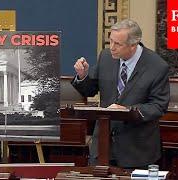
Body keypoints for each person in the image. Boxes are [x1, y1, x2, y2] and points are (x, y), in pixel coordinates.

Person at [72, 19, 170, 168]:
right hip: (103, 146)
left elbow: (158, 106)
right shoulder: (105, 57)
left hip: (136, 150)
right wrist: (83, 76)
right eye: (110, 41)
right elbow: (90, 90)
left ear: (133, 45)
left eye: (117, 44)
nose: (112, 47)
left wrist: (128, 111)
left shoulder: (157, 66)